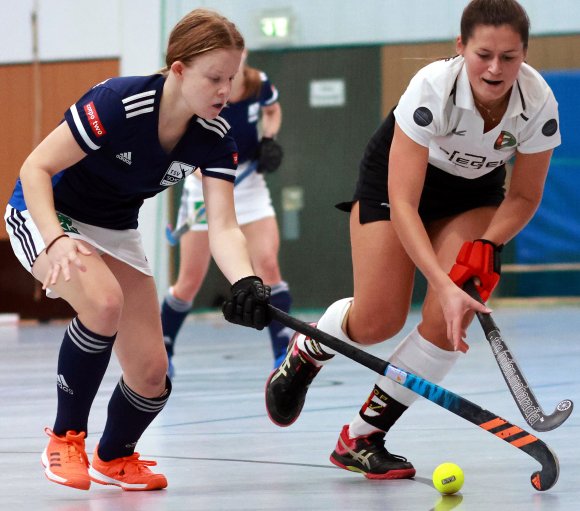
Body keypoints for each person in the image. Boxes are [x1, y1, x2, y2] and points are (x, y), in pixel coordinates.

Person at [261, 0, 560, 480]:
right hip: (396, 186)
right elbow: (404, 203)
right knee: (379, 319)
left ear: (524, 54)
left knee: (449, 318)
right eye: (484, 54)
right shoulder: (431, 89)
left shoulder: (538, 101)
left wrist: (487, 244)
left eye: (509, 56)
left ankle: (361, 438)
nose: (495, 68)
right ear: (461, 47)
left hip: (473, 194)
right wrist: (439, 279)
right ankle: (308, 349)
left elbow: (523, 196)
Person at [4, 9, 271, 492]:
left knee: (151, 373)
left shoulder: (215, 137)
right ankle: (66, 438)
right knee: (104, 303)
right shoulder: (118, 102)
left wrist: (246, 281)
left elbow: (225, 227)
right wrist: (57, 239)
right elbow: (34, 167)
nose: (224, 92)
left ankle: (115, 455)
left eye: (231, 79)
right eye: (214, 78)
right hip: (48, 212)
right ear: (178, 69)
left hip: (115, 228)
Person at [161, 51, 291, 377]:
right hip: (204, 179)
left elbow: (273, 112)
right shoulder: (197, 90)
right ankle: (163, 349)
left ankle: (284, 353)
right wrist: (211, 178)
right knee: (189, 280)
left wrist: (268, 140)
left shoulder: (256, 83)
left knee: (268, 265)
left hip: (249, 183)